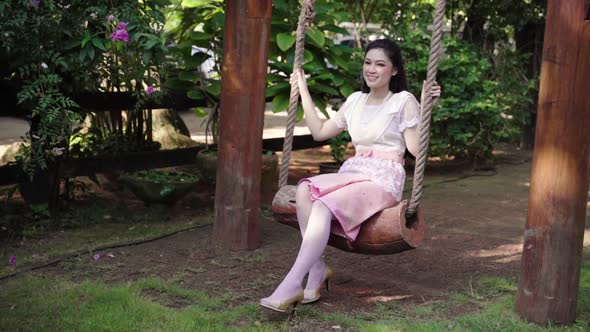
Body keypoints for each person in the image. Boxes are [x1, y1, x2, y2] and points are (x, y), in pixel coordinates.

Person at [259, 39, 441, 312]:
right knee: (304, 190)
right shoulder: (355, 101)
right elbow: (320, 132)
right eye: (368, 62)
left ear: (393, 71)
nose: (372, 69)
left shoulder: (403, 101)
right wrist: (303, 92)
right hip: (354, 172)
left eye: (380, 64)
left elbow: (416, 149)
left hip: (383, 178)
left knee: (321, 205)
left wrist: (429, 109)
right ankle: (317, 268)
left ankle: (292, 283)